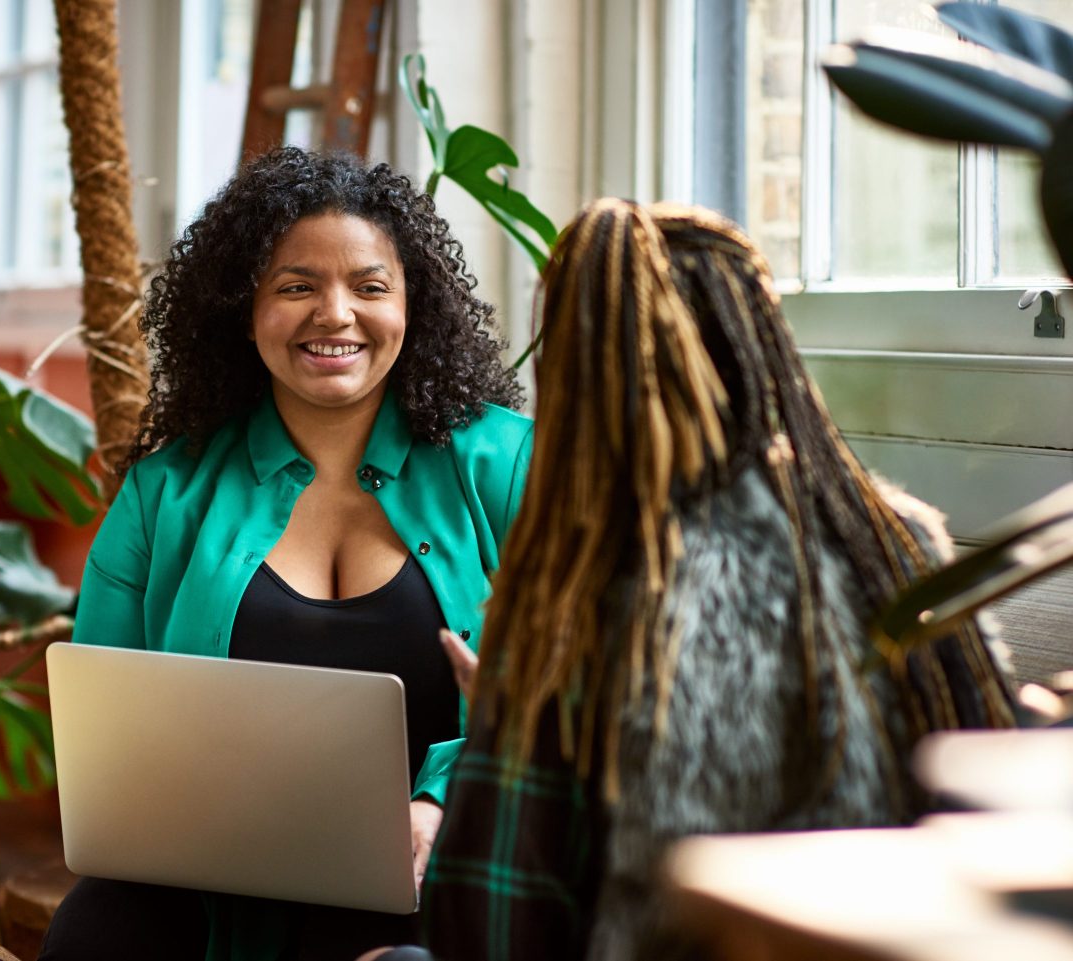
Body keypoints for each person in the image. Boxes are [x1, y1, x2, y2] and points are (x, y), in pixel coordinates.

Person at [372, 199, 1017, 961]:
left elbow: (487, 926)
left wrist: (511, 729)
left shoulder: (578, 586)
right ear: (766, 354)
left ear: (572, 375)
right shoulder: (893, 540)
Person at [39, 146, 533, 961]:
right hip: (211, 890)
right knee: (97, 926)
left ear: (415, 305)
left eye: (370, 286)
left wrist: (444, 800)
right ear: (245, 309)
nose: (335, 314)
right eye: (297, 286)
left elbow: (585, 689)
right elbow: (105, 743)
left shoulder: (510, 465)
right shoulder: (164, 494)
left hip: (440, 876)